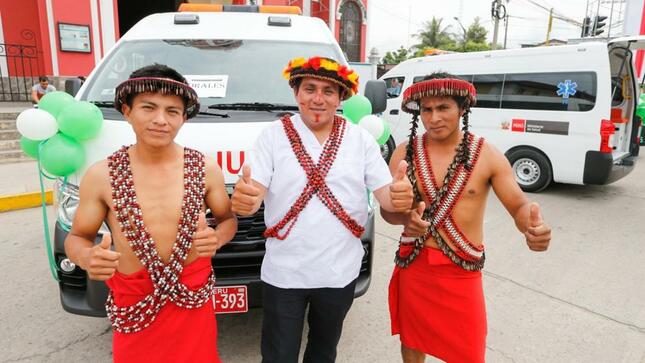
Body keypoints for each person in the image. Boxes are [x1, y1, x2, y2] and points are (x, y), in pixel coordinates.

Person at [230, 56, 414, 363]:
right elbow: (253, 196)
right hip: (284, 273)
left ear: (341, 96)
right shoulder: (273, 136)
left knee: (323, 353)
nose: (318, 98)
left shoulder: (360, 140)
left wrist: (400, 195)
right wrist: (245, 200)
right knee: (278, 356)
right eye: (310, 89)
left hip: (338, 271)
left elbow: (387, 200)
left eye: (328, 91)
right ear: (295, 93)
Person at [64, 64, 237, 363]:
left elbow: (228, 220)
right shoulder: (101, 175)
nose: (161, 120)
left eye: (172, 111)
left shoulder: (205, 169)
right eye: (148, 107)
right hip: (134, 298)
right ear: (127, 110)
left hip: (192, 296)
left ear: (184, 118)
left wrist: (218, 238)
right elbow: (78, 237)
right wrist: (86, 257)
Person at [381, 72, 552, 363]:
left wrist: (532, 227)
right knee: (412, 342)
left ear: (462, 109)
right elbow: (388, 211)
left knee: (469, 352)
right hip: (415, 266)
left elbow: (518, 205)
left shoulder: (487, 155)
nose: (434, 117)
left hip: (462, 272)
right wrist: (401, 217)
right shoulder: (404, 153)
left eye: (443, 107)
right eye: (426, 109)